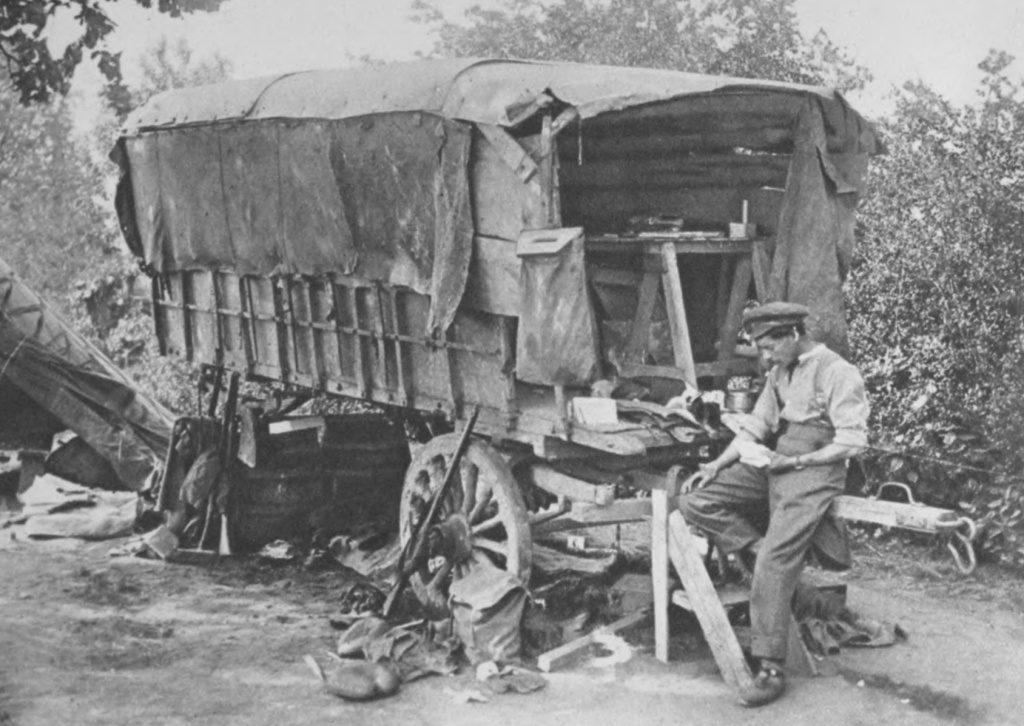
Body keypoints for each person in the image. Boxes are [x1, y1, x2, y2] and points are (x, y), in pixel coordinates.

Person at [677, 301, 869, 707]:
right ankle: (757, 547)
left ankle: (770, 668)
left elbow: (852, 442)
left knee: (773, 565)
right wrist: (715, 464)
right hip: (777, 464)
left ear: (794, 335)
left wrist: (797, 460)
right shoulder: (779, 373)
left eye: (769, 348)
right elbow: (755, 427)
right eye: (760, 349)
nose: (764, 357)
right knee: (695, 499)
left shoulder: (838, 373)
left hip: (816, 472)